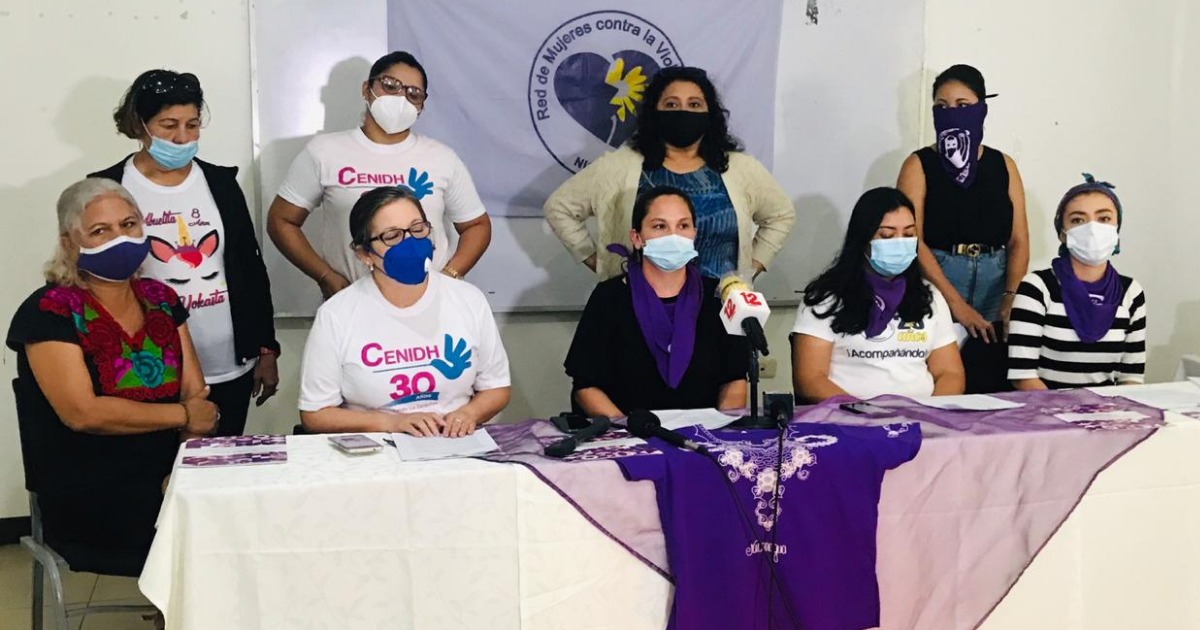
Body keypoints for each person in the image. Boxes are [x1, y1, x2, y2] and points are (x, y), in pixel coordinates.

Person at [7, 179, 217, 575]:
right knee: (212, 535)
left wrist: (184, 469)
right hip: (87, 488)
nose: (119, 239)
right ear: (70, 243)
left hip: (168, 472)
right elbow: (83, 413)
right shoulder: (48, 311)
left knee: (240, 515)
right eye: (100, 231)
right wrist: (184, 416)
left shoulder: (161, 299)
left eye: (129, 225)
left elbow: (195, 392)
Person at [90, 69, 280, 437]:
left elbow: (250, 269)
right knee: (157, 468)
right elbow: (94, 279)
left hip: (227, 361)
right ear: (140, 124)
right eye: (168, 125)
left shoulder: (221, 184)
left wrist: (265, 348)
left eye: (192, 125)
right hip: (148, 364)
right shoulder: (108, 188)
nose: (182, 138)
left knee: (220, 464)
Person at [268, 51, 491, 299]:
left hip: (429, 302)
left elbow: (477, 225)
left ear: (421, 106)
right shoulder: (324, 152)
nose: (401, 98)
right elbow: (281, 220)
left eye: (413, 94)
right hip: (353, 303)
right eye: (390, 86)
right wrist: (324, 276)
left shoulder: (441, 158)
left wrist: (449, 277)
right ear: (367, 89)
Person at [545, 66, 794, 281]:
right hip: (640, 307)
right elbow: (559, 208)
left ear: (710, 114)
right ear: (654, 111)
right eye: (671, 104)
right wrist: (601, 264)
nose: (683, 112)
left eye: (694, 104)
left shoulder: (740, 168)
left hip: (721, 307)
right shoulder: (619, 166)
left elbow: (781, 215)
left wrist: (748, 271)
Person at [298, 186, 510, 436]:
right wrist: (392, 423)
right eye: (392, 235)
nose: (410, 243)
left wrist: (468, 414)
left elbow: (496, 388)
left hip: (454, 444)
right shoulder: (337, 314)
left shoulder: (468, 299)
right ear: (364, 254)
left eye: (417, 229)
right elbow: (316, 414)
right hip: (377, 448)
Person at [565, 186, 749, 416]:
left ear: (694, 233)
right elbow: (586, 386)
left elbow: (734, 379)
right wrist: (625, 429)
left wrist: (721, 429)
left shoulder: (718, 296)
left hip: (704, 433)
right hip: (628, 433)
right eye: (660, 226)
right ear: (637, 238)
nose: (674, 236)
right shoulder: (609, 298)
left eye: (683, 226)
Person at [897, 64, 1029, 344]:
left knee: (989, 363)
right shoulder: (918, 165)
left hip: (995, 284)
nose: (951, 113)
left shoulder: (1004, 165)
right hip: (939, 280)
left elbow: (1019, 239)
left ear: (981, 109)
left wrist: (1011, 296)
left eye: (962, 105)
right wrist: (954, 303)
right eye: (942, 106)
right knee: (940, 362)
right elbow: (911, 239)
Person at [792, 187, 964, 402]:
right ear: (863, 239)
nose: (899, 242)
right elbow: (810, 379)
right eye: (887, 235)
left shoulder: (930, 296)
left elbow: (950, 373)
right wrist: (866, 413)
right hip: (849, 416)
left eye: (909, 234)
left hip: (921, 416)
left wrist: (931, 411)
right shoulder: (825, 299)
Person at [1008, 175, 1146, 389]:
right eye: (1078, 220)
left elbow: (1132, 377)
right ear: (1063, 234)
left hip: (1109, 407)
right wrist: (1066, 409)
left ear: (1117, 229)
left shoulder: (1131, 292)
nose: (1092, 229)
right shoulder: (1037, 288)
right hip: (1045, 406)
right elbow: (1022, 375)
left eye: (1104, 218)